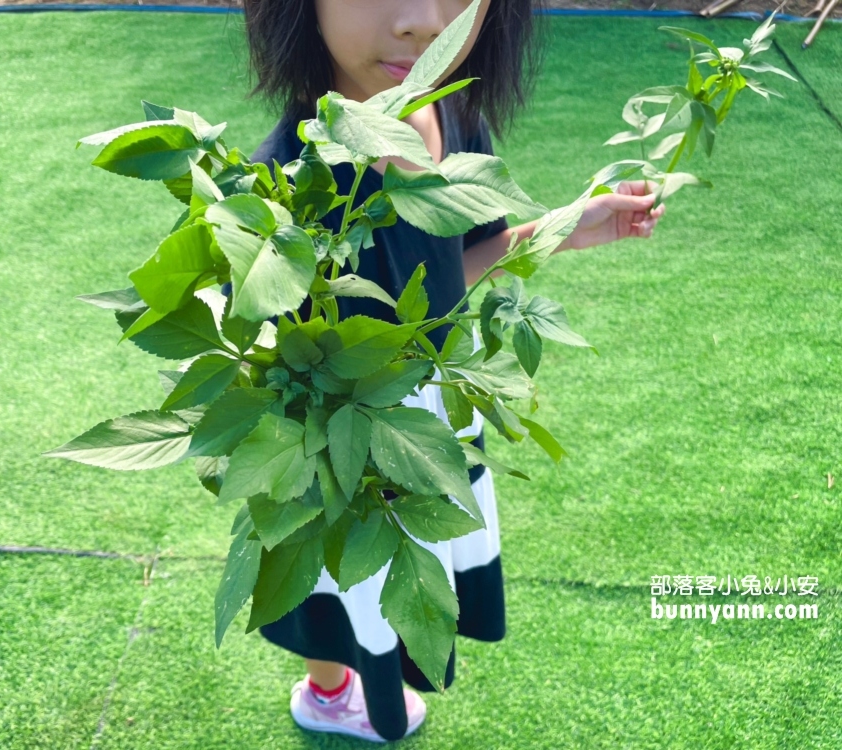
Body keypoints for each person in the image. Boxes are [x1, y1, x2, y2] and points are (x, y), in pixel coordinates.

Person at [239, 0, 666, 742]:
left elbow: (451, 269)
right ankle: (330, 689)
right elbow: (273, 358)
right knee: (341, 578)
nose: (424, 21)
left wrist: (560, 228)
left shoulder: (452, 117)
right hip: (341, 435)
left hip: (426, 410)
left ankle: (361, 676)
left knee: (405, 564)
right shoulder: (288, 183)